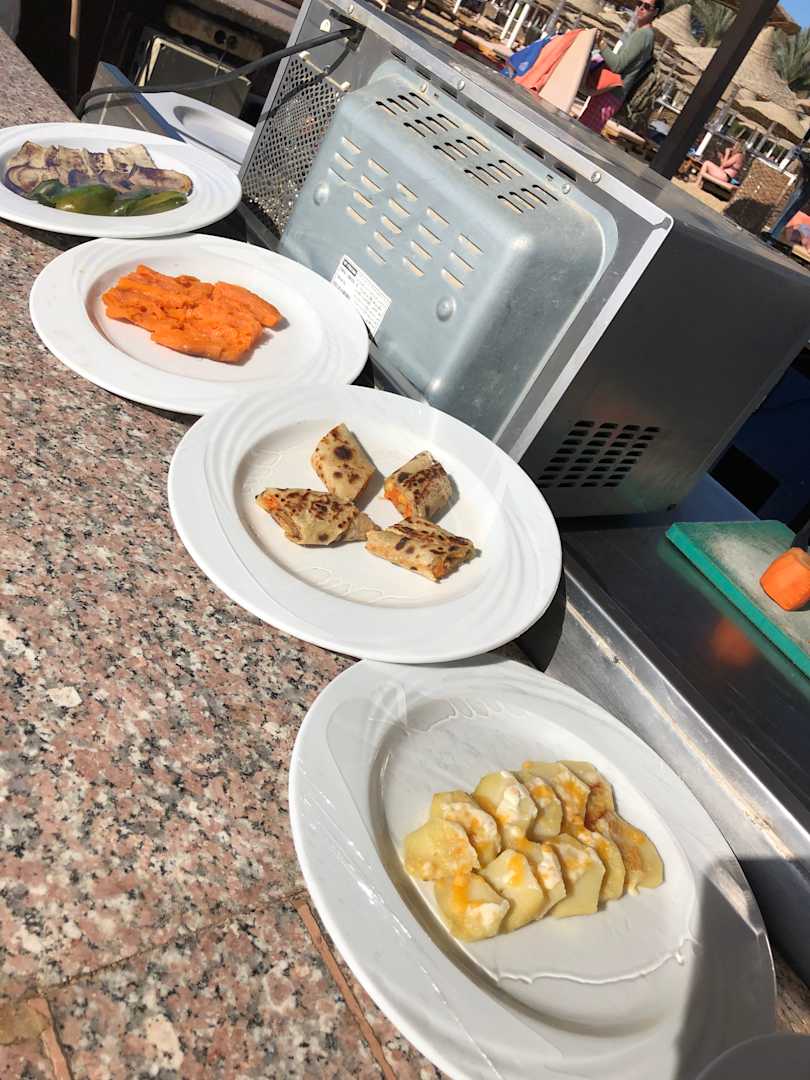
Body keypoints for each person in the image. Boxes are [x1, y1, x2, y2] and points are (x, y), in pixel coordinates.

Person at [578, 0, 664, 135]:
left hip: (610, 93)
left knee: (583, 133)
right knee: (585, 131)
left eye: (647, 6)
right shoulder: (645, 34)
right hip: (612, 93)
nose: (641, 8)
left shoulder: (643, 35)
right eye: (639, 3)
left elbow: (618, 65)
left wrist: (601, 43)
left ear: (655, 12)